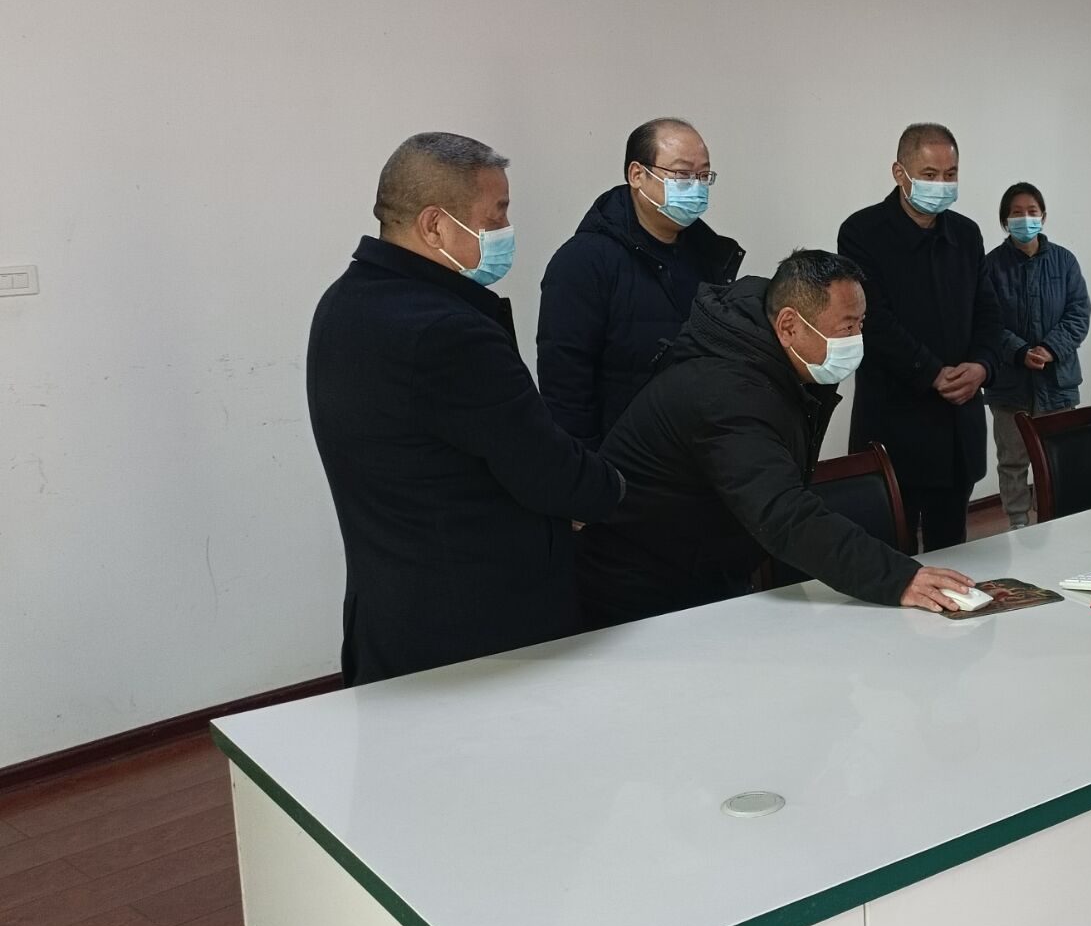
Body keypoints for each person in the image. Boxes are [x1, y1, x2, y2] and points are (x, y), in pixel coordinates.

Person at [307, 133, 626, 685]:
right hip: (482, 632)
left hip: (389, 615)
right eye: (496, 214)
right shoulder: (446, 331)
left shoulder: (342, 303)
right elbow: (549, 471)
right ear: (435, 225)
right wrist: (607, 488)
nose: (505, 228)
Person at [575, 250, 976, 626]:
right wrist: (898, 577)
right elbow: (783, 513)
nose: (857, 338)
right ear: (788, 326)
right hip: (638, 587)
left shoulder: (775, 365)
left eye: (861, 323)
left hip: (703, 565)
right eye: (847, 326)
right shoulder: (726, 391)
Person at [838, 123, 1000, 553]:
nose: (941, 184)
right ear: (900, 172)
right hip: (896, 421)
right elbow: (873, 320)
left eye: (951, 174)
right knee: (893, 553)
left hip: (958, 423)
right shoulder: (861, 232)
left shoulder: (966, 234)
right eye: (930, 174)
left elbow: (988, 311)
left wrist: (982, 365)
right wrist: (932, 373)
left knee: (956, 552)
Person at [537, 119, 742, 445]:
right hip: (619, 457)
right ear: (637, 174)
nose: (696, 186)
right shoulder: (583, 261)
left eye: (704, 175)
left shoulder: (710, 256)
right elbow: (566, 387)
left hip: (694, 450)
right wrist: (589, 468)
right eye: (682, 174)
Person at [983, 183, 1091, 528]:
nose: (1025, 218)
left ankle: (1060, 522)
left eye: (1032, 211)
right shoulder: (990, 266)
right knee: (1012, 461)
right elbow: (987, 322)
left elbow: (1079, 313)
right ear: (1005, 220)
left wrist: (1050, 349)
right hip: (1009, 385)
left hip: (1057, 382)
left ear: (1043, 216)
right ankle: (1018, 525)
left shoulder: (1064, 261)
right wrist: (1020, 351)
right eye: (1016, 212)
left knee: (1060, 459)